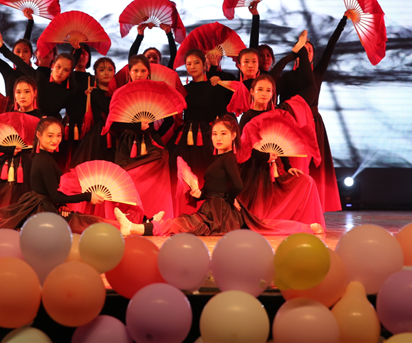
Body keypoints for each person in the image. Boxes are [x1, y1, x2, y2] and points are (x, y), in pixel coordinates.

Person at [115, 115, 313, 236]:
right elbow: (212, 190)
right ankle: (142, 226)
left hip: (220, 213)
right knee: (182, 224)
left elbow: (237, 185)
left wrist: (229, 200)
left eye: (223, 134)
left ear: (233, 136)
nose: (218, 138)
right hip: (213, 208)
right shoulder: (219, 160)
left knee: (183, 224)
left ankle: (135, 228)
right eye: (215, 134)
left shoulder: (228, 158)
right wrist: (198, 194)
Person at [0, 117, 113, 233]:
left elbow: (54, 194)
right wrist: (87, 196)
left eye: (58, 135)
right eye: (50, 135)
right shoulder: (44, 160)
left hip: (39, 207)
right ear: (39, 135)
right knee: (86, 223)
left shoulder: (44, 157)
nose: (55, 140)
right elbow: (55, 195)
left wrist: (62, 205)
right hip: (42, 210)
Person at [278, 13, 350, 213]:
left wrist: (343, 20)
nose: (307, 51)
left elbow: (331, 46)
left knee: (313, 166)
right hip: (291, 124)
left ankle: (312, 207)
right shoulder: (286, 77)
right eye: (304, 48)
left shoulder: (317, 73)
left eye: (310, 49)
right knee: (293, 164)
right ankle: (289, 205)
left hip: (312, 122)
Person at [237, 75, 325, 232]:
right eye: (260, 89)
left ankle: (303, 223)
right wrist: (264, 156)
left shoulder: (277, 113)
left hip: (272, 168)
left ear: (273, 93)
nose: (264, 93)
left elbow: (281, 139)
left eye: (268, 90)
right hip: (253, 170)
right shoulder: (247, 116)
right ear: (252, 92)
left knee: (306, 181)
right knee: (257, 216)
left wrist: (288, 166)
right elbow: (244, 146)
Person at [168, 49, 241, 215]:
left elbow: (223, 112)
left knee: (212, 173)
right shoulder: (184, 90)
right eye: (189, 64)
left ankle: (213, 210)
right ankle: (183, 211)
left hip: (208, 135)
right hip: (185, 137)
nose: (192, 66)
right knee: (178, 172)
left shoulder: (215, 87)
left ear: (204, 65)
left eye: (196, 63)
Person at [108, 55, 175, 220]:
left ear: (148, 72)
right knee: (127, 177)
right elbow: (112, 123)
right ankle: (130, 217)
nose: (139, 74)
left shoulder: (155, 93)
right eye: (135, 70)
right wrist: (135, 127)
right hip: (128, 144)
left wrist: (154, 134)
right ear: (129, 72)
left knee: (159, 163)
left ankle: (153, 215)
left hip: (150, 142)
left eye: (143, 71)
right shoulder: (121, 94)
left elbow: (170, 120)